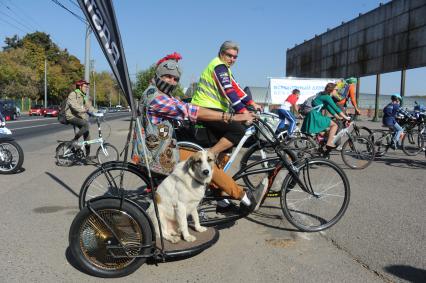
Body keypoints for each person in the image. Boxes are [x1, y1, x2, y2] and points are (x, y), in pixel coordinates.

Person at [138, 53, 267, 212]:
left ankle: (221, 200)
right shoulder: (157, 98)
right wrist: (231, 116)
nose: (171, 81)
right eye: (167, 77)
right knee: (203, 160)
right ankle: (246, 198)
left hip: (160, 146)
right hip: (161, 153)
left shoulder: (156, 92)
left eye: (175, 79)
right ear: (158, 75)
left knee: (206, 153)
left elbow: (181, 105)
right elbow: (187, 109)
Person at [191, 41, 262, 158]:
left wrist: (252, 103)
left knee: (228, 144)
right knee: (238, 131)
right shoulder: (219, 66)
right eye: (229, 55)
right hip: (205, 108)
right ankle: (206, 157)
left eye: (235, 57)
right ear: (221, 53)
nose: (232, 59)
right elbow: (228, 90)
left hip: (215, 108)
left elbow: (236, 88)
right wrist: (243, 111)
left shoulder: (226, 69)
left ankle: (219, 174)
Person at [301, 83, 350, 149]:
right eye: (336, 90)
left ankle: (320, 148)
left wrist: (339, 118)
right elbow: (336, 108)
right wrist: (346, 117)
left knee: (326, 131)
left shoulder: (323, 96)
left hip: (312, 115)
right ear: (331, 90)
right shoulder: (327, 97)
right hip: (315, 116)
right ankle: (329, 143)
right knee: (334, 125)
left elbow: (331, 110)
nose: (337, 91)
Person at [65, 79, 101, 158]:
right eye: (85, 86)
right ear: (80, 86)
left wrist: (98, 112)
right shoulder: (73, 94)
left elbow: (89, 107)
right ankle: (74, 140)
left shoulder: (84, 96)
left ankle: (87, 156)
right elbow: (73, 105)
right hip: (71, 116)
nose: (86, 88)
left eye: (87, 87)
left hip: (79, 116)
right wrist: (83, 110)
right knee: (86, 124)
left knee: (87, 137)